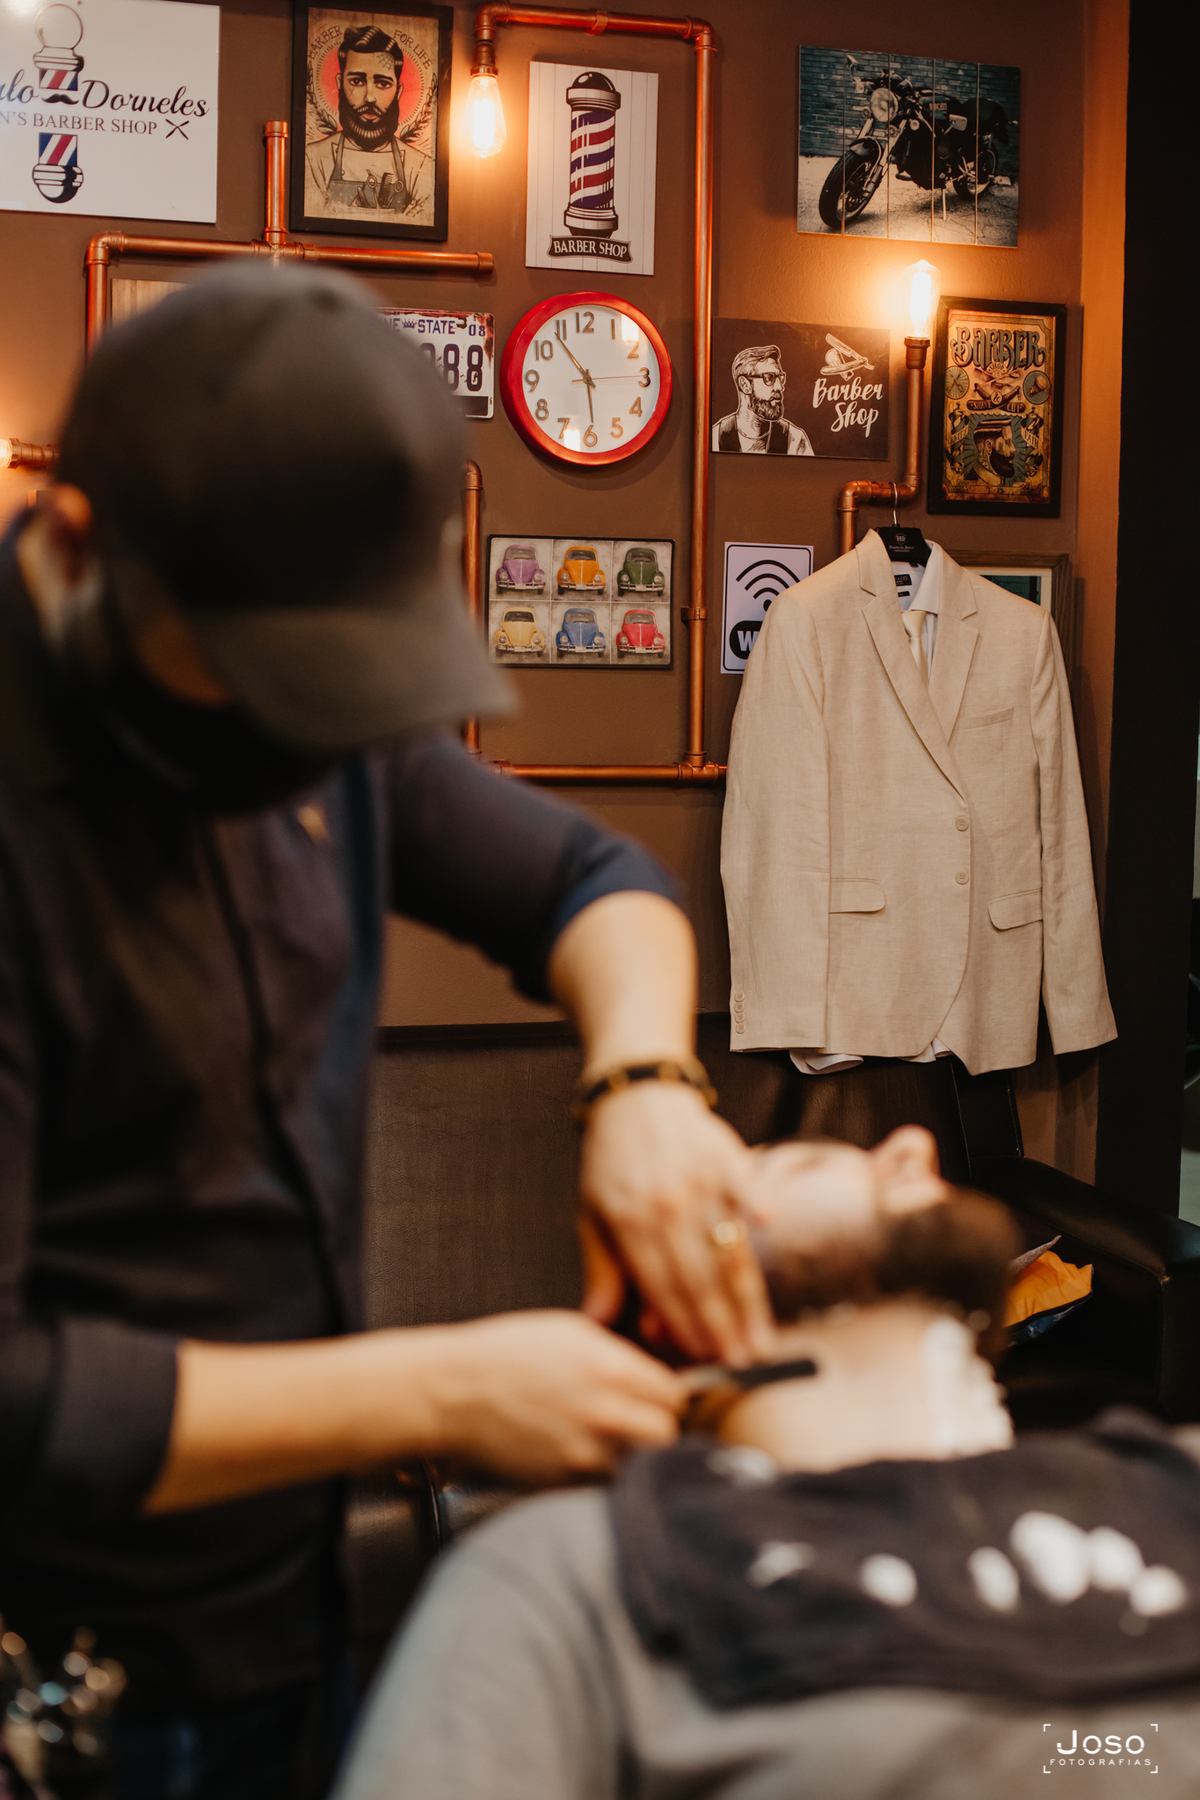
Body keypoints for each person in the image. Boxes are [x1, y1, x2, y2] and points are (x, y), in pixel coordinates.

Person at [0, 266, 771, 1798]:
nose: (304, 740)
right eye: (262, 681)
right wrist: (443, 1391)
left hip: (284, 1620)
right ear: (81, 549)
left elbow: (591, 880)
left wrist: (643, 1085)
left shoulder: (292, 695)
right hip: (63, 1663)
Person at [335, 1128, 1200, 1800]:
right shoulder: (578, 1576)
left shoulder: (1169, 1479)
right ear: (686, 1301)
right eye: (805, 1164)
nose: (913, 1143)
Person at [304, 26, 433, 219]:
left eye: (383, 83)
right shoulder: (314, 160)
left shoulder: (421, 167)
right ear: (339, 84)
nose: (369, 97)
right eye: (357, 81)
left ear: (398, 91)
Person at [711, 346, 815, 456]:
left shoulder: (794, 439)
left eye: (780, 378)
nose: (779, 387)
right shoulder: (715, 438)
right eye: (769, 378)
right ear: (745, 385)